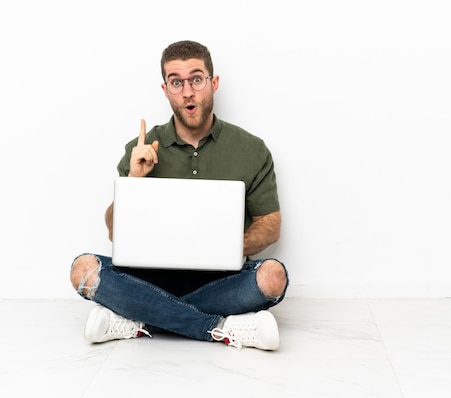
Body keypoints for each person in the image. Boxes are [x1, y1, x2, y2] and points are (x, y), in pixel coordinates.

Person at [69, 40, 288, 351]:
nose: (188, 91)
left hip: (221, 281)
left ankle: (138, 318)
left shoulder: (251, 149)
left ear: (214, 83)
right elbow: (114, 230)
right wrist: (135, 180)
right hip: (150, 279)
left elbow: (271, 223)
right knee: (82, 270)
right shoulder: (143, 147)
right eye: (176, 82)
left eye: (196, 79)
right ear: (165, 89)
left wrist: (229, 245)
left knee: (273, 277)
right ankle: (221, 327)